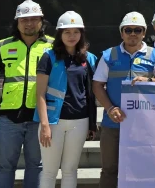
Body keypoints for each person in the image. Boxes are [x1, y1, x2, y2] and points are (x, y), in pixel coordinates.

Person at [92, 12, 155, 188]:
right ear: (121, 33)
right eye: (128, 30)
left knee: (141, 169)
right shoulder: (109, 55)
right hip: (113, 124)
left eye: (137, 30)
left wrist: (149, 80)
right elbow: (97, 85)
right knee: (110, 170)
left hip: (144, 125)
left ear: (144, 32)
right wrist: (110, 108)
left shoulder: (154, 55)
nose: (133, 33)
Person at [0, 0, 54, 188]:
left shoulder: (52, 46)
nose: (29, 23)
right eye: (24, 19)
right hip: (9, 118)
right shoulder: (3, 45)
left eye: (34, 19)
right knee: (5, 167)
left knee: (36, 165)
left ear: (42, 21)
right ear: (17, 22)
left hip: (39, 118)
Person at [34, 11, 98, 188]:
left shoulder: (89, 58)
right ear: (59, 34)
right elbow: (40, 93)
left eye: (76, 32)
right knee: (49, 171)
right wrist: (45, 125)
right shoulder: (49, 57)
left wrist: (92, 123)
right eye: (67, 32)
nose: (72, 36)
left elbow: (92, 92)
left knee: (70, 170)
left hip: (80, 121)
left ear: (81, 34)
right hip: (54, 122)